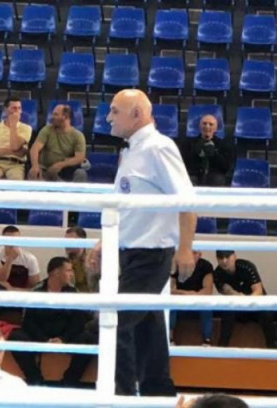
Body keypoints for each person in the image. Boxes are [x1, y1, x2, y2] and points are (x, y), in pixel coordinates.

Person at [88, 89, 196, 396]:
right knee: (149, 330)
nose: (108, 118)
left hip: (152, 255)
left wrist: (185, 248)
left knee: (113, 322)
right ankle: (158, 394)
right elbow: (126, 205)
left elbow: (187, 200)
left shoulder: (158, 148)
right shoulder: (132, 150)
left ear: (136, 114)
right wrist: (105, 240)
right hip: (132, 252)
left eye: (115, 111)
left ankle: (122, 396)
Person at [7, 257, 95, 386]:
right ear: (56, 272)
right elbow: (28, 322)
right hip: (40, 336)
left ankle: (69, 381)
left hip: (66, 336)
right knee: (16, 337)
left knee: (89, 339)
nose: (72, 274)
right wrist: (44, 340)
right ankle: (35, 380)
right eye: (68, 270)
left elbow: (78, 321)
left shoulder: (73, 292)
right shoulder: (36, 292)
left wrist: (63, 339)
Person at [213, 250, 277, 349]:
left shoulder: (247, 267)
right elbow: (228, 292)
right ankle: (222, 347)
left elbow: (258, 292)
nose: (224, 261)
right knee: (227, 312)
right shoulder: (217, 274)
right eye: (221, 258)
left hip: (255, 305)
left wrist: (245, 299)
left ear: (234, 256)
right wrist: (237, 297)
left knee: (266, 312)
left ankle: (273, 346)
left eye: (227, 257)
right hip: (237, 307)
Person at [28, 104, 87, 182]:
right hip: (45, 169)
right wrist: (35, 166)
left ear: (65, 117)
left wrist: (60, 164)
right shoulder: (47, 129)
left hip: (66, 170)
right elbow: (35, 148)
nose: (52, 117)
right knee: (34, 175)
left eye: (55, 114)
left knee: (81, 173)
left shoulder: (78, 136)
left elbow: (79, 158)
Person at [0, 97, 32, 180]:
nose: (17, 111)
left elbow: (15, 146)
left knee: (16, 180)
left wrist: (13, 124)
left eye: (19, 108)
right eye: (14, 108)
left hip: (16, 164)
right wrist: (15, 152)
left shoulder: (26, 128)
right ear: (6, 110)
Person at [170, 251, 214, 346]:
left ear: (200, 254)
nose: (192, 256)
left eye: (194, 253)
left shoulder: (205, 266)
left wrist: (189, 295)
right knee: (170, 304)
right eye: (190, 253)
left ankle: (207, 341)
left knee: (207, 306)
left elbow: (207, 291)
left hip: (198, 303)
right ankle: (170, 339)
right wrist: (188, 294)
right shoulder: (177, 264)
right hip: (180, 303)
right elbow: (170, 290)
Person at [183, 114, 233, 187]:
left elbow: (226, 166)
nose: (207, 126)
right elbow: (185, 163)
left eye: (211, 124)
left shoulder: (223, 144)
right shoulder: (190, 143)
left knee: (218, 180)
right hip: (195, 175)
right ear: (200, 126)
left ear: (215, 128)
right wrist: (196, 152)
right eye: (204, 123)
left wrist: (214, 153)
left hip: (215, 176)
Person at [64, 226, 92, 292]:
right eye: (65, 242)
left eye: (71, 242)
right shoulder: (63, 265)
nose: (67, 245)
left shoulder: (92, 263)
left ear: (83, 242)